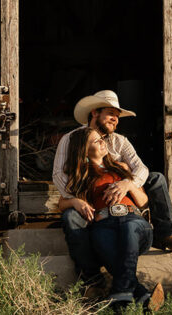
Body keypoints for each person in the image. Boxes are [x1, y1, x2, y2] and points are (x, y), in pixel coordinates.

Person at [52, 90, 172, 289]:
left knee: (156, 178)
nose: (115, 119)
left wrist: (128, 184)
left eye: (118, 116)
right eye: (111, 113)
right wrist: (79, 196)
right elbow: (58, 175)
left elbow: (140, 168)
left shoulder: (120, 141)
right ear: (94, 113)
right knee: (71, 217)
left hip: (122, 191)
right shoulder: (73, 139)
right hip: (89, 195)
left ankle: (164, 234)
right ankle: (92, 276)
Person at [57, 127, 164, 309]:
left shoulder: (120, 167)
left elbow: (144, 202)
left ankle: (122, 294)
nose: (103, 142)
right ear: (84, 149)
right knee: (100, 239)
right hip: (104, 226)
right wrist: (75, 202)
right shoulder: (81, 175)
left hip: (134, 222)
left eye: (102, 139)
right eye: (97, 141)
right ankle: (138, 297)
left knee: (129, 228)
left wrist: (128, 185)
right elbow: (61, 203)